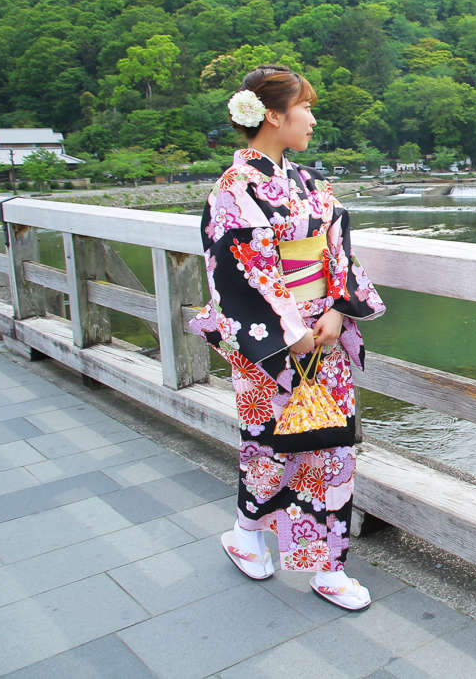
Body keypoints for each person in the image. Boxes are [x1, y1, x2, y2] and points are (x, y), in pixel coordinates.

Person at [189, 65, 386, 610]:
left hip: (324, 334)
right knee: (270, 447)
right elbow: (238, 270)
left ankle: (328, 566)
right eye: (307, 107)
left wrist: (341, 312)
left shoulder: (310, 183)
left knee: (332, 448)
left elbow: (336, 247)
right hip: (270, 343)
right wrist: (291, 330)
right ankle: (246, 533)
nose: (313, 118)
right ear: (273, 116)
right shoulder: (233, 190)